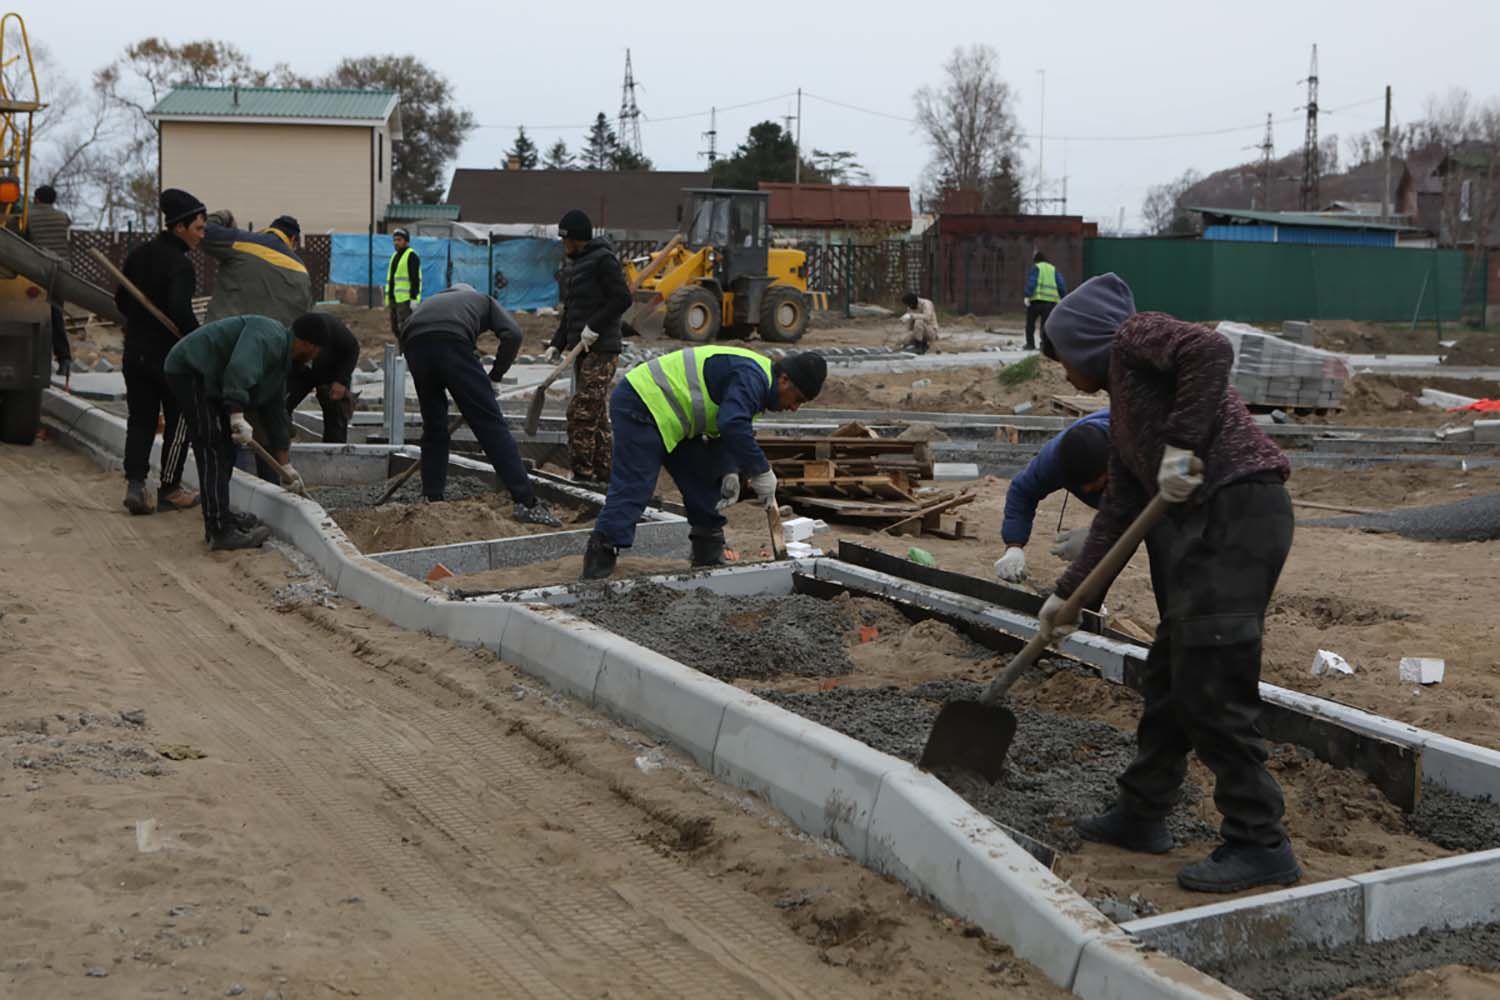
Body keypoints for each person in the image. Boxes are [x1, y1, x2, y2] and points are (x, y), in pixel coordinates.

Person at [1038, 273, 1299, 894]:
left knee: (1211, 680)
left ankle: (1260, 841)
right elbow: (1117, 516)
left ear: (1085, 345)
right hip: (1202, 524)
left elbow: (1210, 350)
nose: (1064, 376)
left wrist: (1182, 448)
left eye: (1063, 361)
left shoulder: (1134, 337)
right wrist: (1071, 596)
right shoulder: (1123, 418)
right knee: (1169, 676)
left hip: (1237, 510)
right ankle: (1143, 813)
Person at [581, 347, 828, 580]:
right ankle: (599, 560)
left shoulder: (758, 383)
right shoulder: (753, 377)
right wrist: (760, 470)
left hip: (677, 418)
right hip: (642, 402)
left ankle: (707, 558)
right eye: (798, 399)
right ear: (784, 380)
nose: (794, 408)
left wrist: (728, 470)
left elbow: (722, 428)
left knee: (702, 482)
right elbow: (732, 423)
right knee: (634, 487)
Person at [400, 283, 561, 526]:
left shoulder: (433, 302)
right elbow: (513, 334)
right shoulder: (482, 300)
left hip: (414, 343)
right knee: (489, 425)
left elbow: (424, 337)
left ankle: (432, 496)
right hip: (450, 340)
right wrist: (495, 376)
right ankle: (526, 502)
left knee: (434, 426)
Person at [164, 314, 325, 550]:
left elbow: (275, 413)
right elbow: (240, 369)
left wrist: (285, 468)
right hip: (191, 369)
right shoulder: (270, 337)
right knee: (213, 443)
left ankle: (222, 516)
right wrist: (237, 416)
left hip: (212, 379)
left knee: (225, 447)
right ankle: (219, 531)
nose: (315, 357)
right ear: (308, 344)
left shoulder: (280, 363)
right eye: (317, 350)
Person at [115, 188, 204, 516]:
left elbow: (121, 300)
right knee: (181, 418)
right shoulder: (181, 265)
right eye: (198, 227)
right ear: (179, 227)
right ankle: (170, 488)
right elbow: (180, 310)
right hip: (169, 358)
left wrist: (140, 323)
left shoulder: (138, 255)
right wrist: (199, 339)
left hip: (135, 352)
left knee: (140, 420)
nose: (201, 234)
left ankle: (136, 485)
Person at [545, 209, 631, 486]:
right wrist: (557, 343)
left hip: (602, 348)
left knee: (581, 412)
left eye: (565, 238)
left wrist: (595, 326)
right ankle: (606, 476)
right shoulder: (575, 265)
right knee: (596, 416)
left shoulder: (603, 260)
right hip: (581, 348)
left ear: (576, 238)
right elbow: (571, 311)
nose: (562, 244)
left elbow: (622, 299)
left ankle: (581, 475)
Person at [993, 409, 1111, 582]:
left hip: (1156, 492)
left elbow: (1145, 509)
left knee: (1157, 537)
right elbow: (1022, 492)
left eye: (1092, 483)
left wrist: (1098, 535)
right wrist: (1014, 546)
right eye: (1078, 485)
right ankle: (1084, 600)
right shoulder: (1053, 459)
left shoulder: (1136, 457)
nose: (1085, 491)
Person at [202, 211, 313, 326]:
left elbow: (203, 230)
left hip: (221, 335)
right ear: (293, 239)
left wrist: (226, 215)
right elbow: (305, 317)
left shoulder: (241, 241)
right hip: (268, 341)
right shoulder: (301, 271)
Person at [283, 313, 359, 444]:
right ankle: (280, 443)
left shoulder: (337, 334)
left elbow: (353, 349)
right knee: (283, 404)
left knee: (335, 414)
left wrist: (341, 381)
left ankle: (334, 451)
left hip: (333, 372)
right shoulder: (294, 341)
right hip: (302, 373)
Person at [23, 185, 72, 376]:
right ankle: (64, 360)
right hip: (60, 271)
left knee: (33, 315)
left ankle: (36, 360)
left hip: (37, 270)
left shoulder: (29, 216)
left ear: (36, 199)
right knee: (56, 316)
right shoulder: (63, 217)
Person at [1023, 250, 1067, 351]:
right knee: (1046, 325)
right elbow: (1061, 284)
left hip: (1036, 302)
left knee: (1030, 324)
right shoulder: (1053, 269)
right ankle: (1044, 346)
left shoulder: (1036, 267)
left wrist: (1027, 295)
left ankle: (1030, 345)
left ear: (1036, 260)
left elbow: (1032, 281)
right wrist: (1063, 297)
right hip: (1050, 303)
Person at [386, 228, 421, 342]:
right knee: (396, 329)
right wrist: (390, 298)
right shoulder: (394, 256)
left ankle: (405, 355)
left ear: (406, 241)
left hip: (406, 301)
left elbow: (415, 279)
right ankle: (403, 354)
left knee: (405, 330)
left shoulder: (411, 256)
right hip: (395, 300)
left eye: (399, 240)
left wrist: (414, 299)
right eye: (395, 240)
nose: (396, 242)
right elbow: (391, 279)